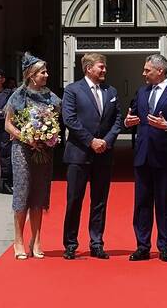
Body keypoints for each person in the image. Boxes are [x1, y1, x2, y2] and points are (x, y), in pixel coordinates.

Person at [123, 53, 167, 262]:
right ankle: (142, 246)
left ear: (159, 71)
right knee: (142, 203)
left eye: (147, 70)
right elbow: (132, 115)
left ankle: (164, 246)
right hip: (142, 156)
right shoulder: (142, 92)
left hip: (165, 157)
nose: (143, 73)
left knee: (164, 203)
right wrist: (128, 122)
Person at [61, 53, 122, 260]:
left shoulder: (111, 91)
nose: (104, 70)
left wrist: (107, 140)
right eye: (101, 67)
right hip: (79, 154)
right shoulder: (72, 90)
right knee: (74, 200)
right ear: (88, 69)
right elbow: (69, 119)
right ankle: (70, 243)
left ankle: (96, 243)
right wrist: (91, 141)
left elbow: (117, 118)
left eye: (104, 67)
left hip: (104, 154)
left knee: (99, 201)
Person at [4, 53, 61, 259]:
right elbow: (8, 124)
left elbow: (55, 122)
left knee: (39, 192)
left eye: (46, 72)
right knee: (22, 192)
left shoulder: (51, 97)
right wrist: (26, 137)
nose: (46, 75)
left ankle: (36, 239)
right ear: (31, 75)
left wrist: (48, 136)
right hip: (22, 149)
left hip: (43, 150)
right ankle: (18, 240)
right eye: (42, 72)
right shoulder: (18, 96)